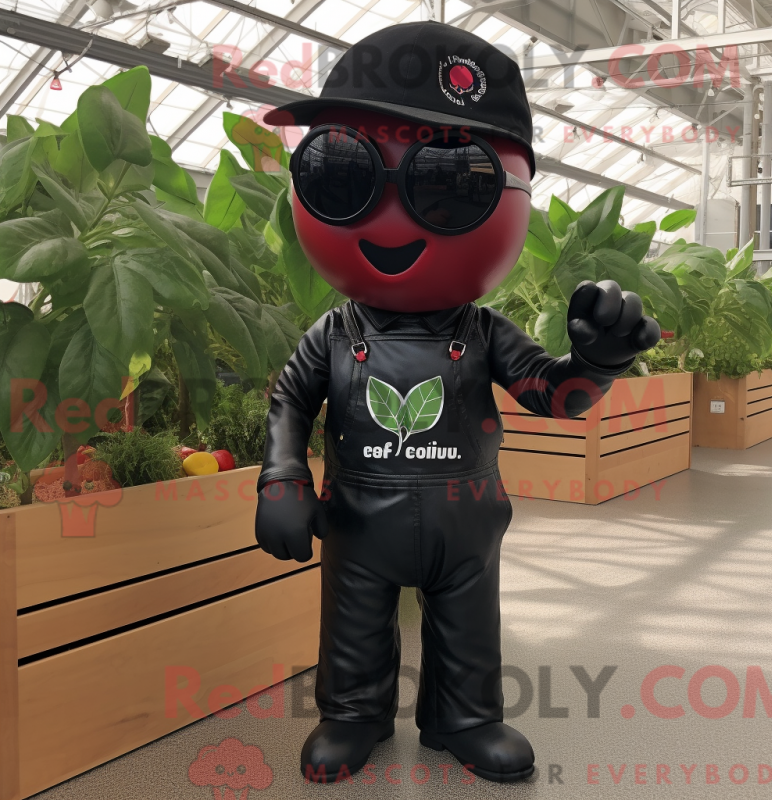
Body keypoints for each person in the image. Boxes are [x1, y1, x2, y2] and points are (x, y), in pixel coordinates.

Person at [255, 21, 660, 784]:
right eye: (342, 176)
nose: (390, 218)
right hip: (357, 522)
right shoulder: (333, 335)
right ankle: (354, 713)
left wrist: (596, 364)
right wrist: (281, 477)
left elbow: (553, 395)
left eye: (451, 184)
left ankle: (465, 717)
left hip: (465, 521)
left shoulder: (484, 334)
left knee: (469, 626)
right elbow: (289, 403)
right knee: (353, 624)